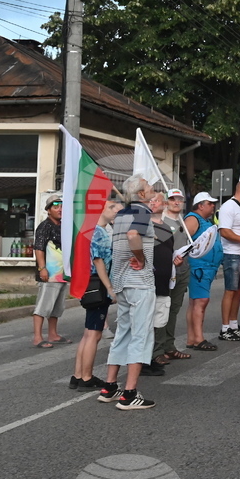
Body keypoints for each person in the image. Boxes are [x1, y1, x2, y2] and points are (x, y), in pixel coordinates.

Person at [97, 174, 157, 411]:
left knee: (123, 333)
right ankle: (130, 393)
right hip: (139, 282)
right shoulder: (142, 212)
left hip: (121, 282)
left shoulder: (121, 214)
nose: (153, 189)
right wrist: (141, 258)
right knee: (141, 336)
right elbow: (134, 237)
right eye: (149, 187)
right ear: (141, 194)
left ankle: (110, 387)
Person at [70, 198, 121, 389]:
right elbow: (99, 262)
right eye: (111, 207)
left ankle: (77, 375)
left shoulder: (94, 231)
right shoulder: (98, 233)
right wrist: (109, 288)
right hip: (97, 286)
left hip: (90, 283)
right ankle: (86, 377)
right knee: (94, 333)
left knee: (88, 332)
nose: (115, 211)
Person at [154, 189, 191, 362]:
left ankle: (169, 346)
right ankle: (158, 350)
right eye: (172, 199)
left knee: (174, 310)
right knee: (162, 310)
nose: (176, 202)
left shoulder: (183, 221)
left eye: (179, 199)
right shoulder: (161, 220)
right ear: (167, 202)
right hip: (167, 273)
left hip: (182, 272)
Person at [185, 192, 223, 351]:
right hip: (199, 268)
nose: (213, 205)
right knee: (200, 301)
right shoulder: (193, 219)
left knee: (196, 302)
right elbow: (183, 240)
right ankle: (199, 338)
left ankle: (192, 338)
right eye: (210, 203)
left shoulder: (204, 220)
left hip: (205, 268)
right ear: (200, 205)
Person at [31, 194, 69, 348]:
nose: (60, 210)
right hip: (49, 273)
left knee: (57, 306)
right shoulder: (44, 226)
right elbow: (39, 248)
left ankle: (53, 334)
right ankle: (37, 337)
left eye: (61, 206)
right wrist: (42, 268)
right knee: (43, 305)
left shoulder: (63, 226)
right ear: (48, 210)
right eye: (56, 207)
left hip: (61, 274)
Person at [218, 179, 240, 341]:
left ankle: (233, 324)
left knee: (239, 291)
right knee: (230, 290)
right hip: (231, 253)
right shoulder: (228, 206)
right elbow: (225, 231)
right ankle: (225, 328)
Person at [144, 192, 173, 376]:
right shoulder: (145, 226)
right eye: (151, 200)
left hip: (163, 282)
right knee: (145, 322)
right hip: (148, 281)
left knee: (158, 322)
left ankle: (153, 356)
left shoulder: (168, 228)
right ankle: (143, 361)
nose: (154, 203)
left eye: (157, 200)